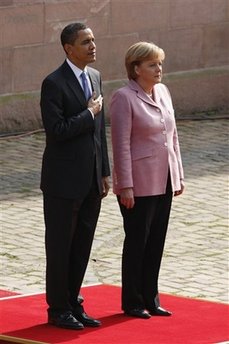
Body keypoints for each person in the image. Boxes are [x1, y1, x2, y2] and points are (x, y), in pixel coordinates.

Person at [40, 22, 110, 330]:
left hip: (91, 180)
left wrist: (104, 172)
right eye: (86, 42)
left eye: (93, 40)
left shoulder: (94, 77)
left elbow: (99, 133)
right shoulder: (53, 83)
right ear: (69, 49)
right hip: (62, 182)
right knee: (60, 246)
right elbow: (57, 131)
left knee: (82, 244)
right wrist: (88, 113)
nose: (93, 46)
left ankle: (72, 301)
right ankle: (57, 309)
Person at [110, 42, 184, 319]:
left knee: (156, 240)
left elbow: (172, 136)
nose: (159, 69)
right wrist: (125, 185)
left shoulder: (163, 92)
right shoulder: (123, 97)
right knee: (137, 241)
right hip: (137, 184)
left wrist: (178, 175)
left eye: (160, 63)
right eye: (152, 64)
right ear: (136, 68)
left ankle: (151, 298)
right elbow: (121, 146)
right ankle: (132, 301)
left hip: (164, 178)